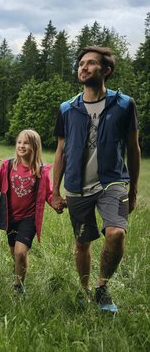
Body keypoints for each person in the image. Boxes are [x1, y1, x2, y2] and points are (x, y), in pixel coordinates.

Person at [52, 46, 141, 314]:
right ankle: (84, 290)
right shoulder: (67, 108)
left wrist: (133, 189)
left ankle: (102, 287)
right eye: (81, 63)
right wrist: (55, 191)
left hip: (112, 182)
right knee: (82, 242)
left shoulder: (124, 104)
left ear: (106, 71)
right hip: (77, 186)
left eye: (91, 63)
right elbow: (60, 150)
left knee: (116, 232)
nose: (83, 67)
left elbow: (133, 148)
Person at [0, 129, 62, 294]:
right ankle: (20, 269)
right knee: (15, 252)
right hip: (10, 217)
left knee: (20, 252)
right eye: (19, 142)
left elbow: (48, 194)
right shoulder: (8, 165)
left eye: (26, 143)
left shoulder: (41, 171)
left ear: (34, 146)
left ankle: (19, 287)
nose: (21, 146)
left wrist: (56, 204)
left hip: (29, 218)